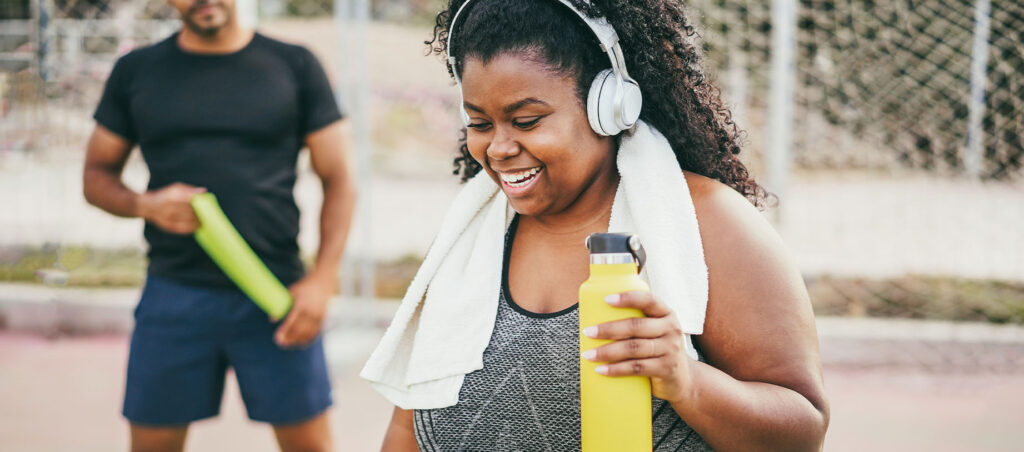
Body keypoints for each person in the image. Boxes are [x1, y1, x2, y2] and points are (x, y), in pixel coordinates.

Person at [370, 0, 829, 450]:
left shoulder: (710, 222)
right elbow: (408, 422)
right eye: (480, 122)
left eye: (526, 121)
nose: (498, 148)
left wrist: (687, 381)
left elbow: (802, 432)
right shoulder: (469, 239)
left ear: (608, 105)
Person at [82, 0, 355, 450]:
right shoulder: (137, 70)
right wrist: (144, 205)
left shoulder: (295, 64)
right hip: (173, 294)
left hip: (276, 292)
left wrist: (323, 279)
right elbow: (95, 175)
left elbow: (340, 179)